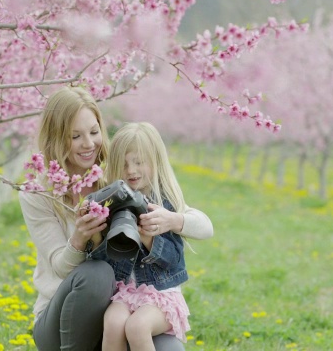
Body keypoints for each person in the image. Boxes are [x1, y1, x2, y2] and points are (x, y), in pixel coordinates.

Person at [18, 87, 213, 351]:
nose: (89, 144)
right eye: (75, 136)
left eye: (94, 132)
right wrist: (80, 238)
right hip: (63, 322)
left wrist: (172, 220)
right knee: (97, 274)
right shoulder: (38, 193)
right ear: (56, 138)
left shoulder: (119, 174)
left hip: (124, 312)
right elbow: (61, 268)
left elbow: (197, 223)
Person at [90, 122, 205, 351]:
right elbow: (103, 260)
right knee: (113, 323)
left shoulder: (163, 205)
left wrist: (149, 239)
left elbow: (174, 258)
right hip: (126, 292)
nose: (131, 170)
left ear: (154, 162)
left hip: (161, 295)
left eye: (139, 162)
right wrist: (97, 232)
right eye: (124, 164)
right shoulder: (113, 205)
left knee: (137, 327)